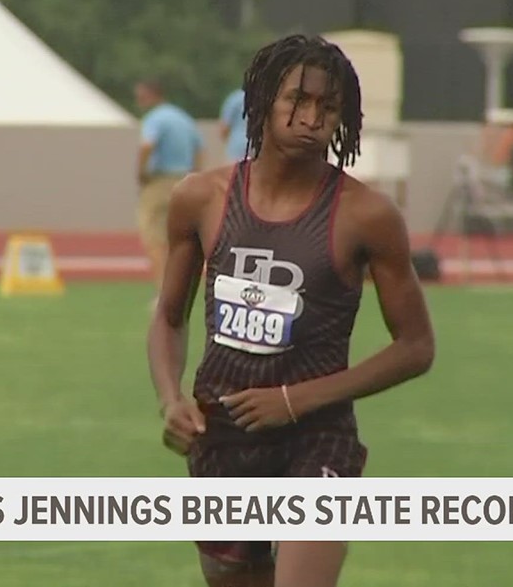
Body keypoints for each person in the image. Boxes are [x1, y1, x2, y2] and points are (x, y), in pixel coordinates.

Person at [146, 34, 436, 587]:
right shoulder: (199, 197)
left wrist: (295, 400)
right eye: (297, 101)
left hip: (318, 437)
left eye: (328, 108)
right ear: (262, 104)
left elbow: (416, 348)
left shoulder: (366, 214)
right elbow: (169, 315)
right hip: (222, 434)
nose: (311, 118)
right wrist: (170, 399)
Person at [135, 80, 204, 303]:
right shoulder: (183, 118)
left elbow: (147, 145)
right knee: (182, 240)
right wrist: (195, 175)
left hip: (160, 180)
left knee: (153, 236)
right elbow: (199, 149)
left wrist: (141, 172)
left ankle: (163, 292)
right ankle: (182, 290)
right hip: (183, 179)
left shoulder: (155, 119)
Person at [218, 87, 250, 163]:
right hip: (257, 145)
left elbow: (224, 128)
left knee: (234, 172)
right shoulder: (261, 99)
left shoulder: (234, 99)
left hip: (236, 145)